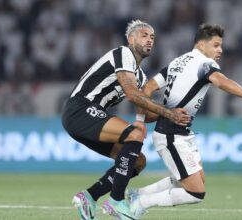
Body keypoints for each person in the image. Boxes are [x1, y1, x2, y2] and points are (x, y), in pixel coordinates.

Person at [126, 24, 242, 219]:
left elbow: (147, 88)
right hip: (171, 135)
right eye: (216, 45)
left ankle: (138, 194)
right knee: (195, 193)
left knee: (197, 179)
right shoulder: (205, 64)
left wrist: (141, 119)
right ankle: (142, 203)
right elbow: (222, 82)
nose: (220, 50)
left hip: (180, 133)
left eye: (221, 46)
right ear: (201, 44)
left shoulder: (177, 61)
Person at [61, 20, 190, 220]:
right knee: (135, 134)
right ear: (131, 39)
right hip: (80, 109)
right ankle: (116, 201)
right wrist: (167, 112)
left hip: (89, 116)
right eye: (144, 35)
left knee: (138, 161)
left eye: (152, 37)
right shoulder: (123, 54)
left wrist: (177, 113)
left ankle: (89, 196)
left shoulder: (139, 76)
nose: (150, 40)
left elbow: (145, 110)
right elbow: (131, 94)